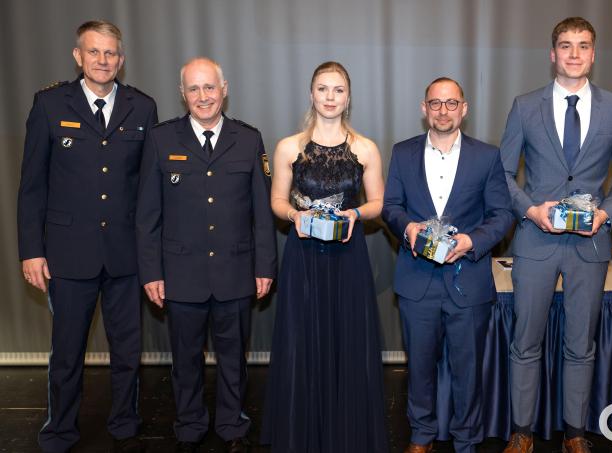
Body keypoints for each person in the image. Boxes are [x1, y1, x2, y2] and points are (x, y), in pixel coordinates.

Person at [498, 17, 612, 453]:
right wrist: (531, 209)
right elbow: (502, 174)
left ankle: (574, 433)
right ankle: (522, 431)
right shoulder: (525, 106)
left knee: (581, 345)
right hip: (535, 242)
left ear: (594, 54)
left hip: (589, 245)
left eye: (582, 45)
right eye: (565, 45)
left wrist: (605, 216)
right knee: (526, 342)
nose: (574, 53)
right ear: (552, 54)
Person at [16, 20, 157, 453]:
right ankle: (60, 429)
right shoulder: (48, 104)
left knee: (127, 352)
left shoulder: (143, 107)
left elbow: (150, 190)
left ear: (121, 58)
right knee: (66, 354)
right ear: (78, 56)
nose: (102, 60)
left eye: (110, 53)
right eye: (93, 52)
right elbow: (32, 187)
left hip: (125, 256)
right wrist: (31, 252)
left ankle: (124, 425)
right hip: (67, 254)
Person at [136, 57, 277, 453]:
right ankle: (190, 423)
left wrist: (264, 265)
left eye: (209, 87)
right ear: (182, 94)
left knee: (234, 358)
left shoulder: (248, 139)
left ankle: (232, 423)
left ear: (224, 89)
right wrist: (151, 272)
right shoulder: (161, 140)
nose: (203, 97)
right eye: (194, 89)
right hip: (180, 273)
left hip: (235, 269)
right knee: (185, 359)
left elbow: (261, 213)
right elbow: (147, 214)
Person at [260, 61, 388, 453]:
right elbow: (277, 201)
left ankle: (346, 434)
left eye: (338, 90)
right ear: (311, 93)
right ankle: (303, 434)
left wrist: (354, 213)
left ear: (348, 97)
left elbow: (379, 204)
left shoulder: (365, 148)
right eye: (323, 89)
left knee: (347, 343)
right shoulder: (288, 147)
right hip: (304, 257)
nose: (330, 97)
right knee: (303, 342)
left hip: (347, 258)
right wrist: (294, 214)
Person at [383, 77, 513, 453]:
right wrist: (407, 226)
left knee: (468, 373)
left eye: (451, 103)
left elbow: (502, 214)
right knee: (419, 369)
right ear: (424, 109)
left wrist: (472, 241)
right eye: (435, 104)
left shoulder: (487, 156)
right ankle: (421, 436)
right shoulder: (403, 152)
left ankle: (467, 440)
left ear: (464, 109)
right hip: (416, 282)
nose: (443, 111)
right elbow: (391, 206)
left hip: (468, 282)